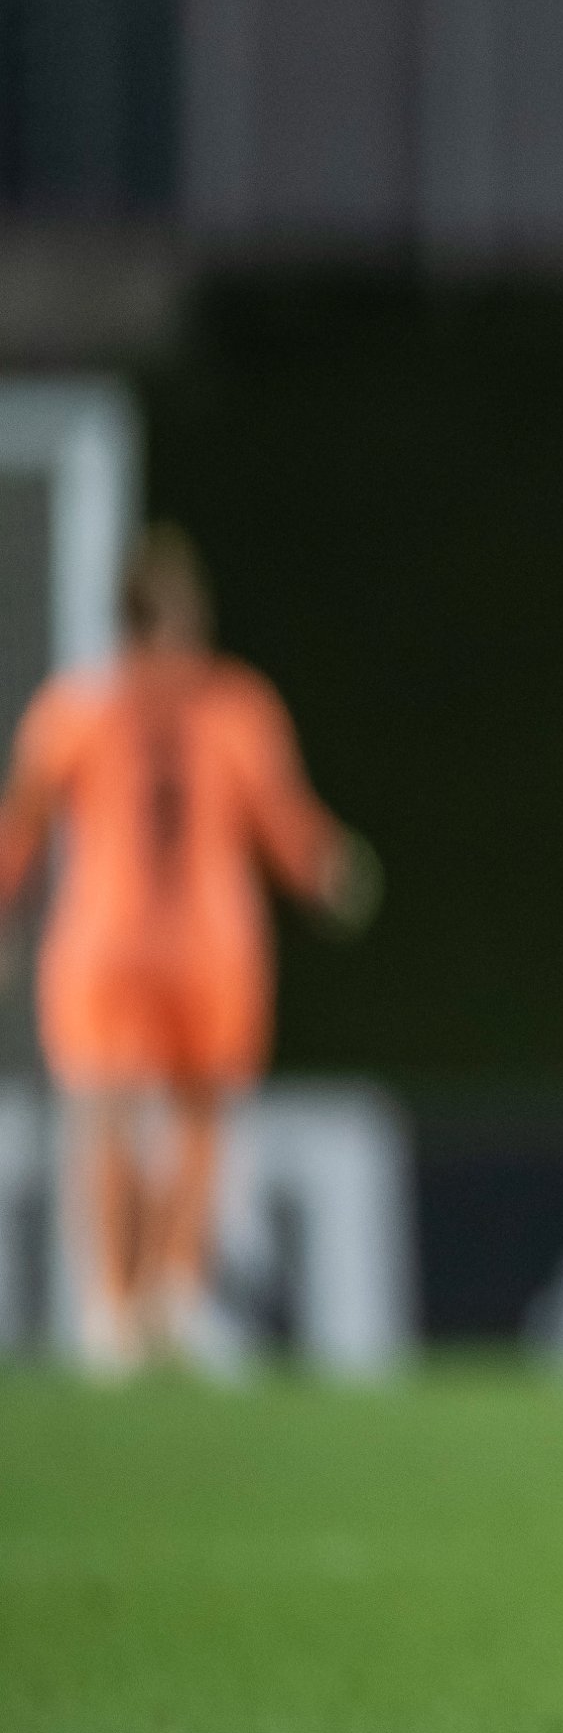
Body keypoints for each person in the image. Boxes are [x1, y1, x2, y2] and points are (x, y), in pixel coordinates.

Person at [0, 528, 371, 1375]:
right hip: (204, 945)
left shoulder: (75, 708)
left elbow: (17, 830)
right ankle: (141, 1299)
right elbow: (288, 827)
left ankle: (131, 1306)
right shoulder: (233, 707)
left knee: (120, 1116)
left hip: (111, 945)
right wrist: (328, 872)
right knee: (151, 1118)